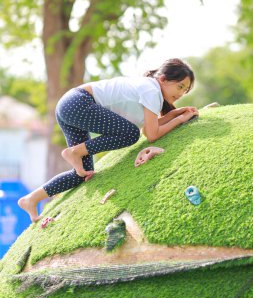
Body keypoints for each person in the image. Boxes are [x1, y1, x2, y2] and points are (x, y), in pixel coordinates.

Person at [18, 58, 198, 222]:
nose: (181, 93)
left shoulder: (151, 92)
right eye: (180, 86)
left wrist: (174, 114)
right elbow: (151, 135)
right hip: (78, 103)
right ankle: (75, 152)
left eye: (186, 90)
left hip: (70, 105)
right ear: (164, 79)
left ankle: (31, 199)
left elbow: (150, 128)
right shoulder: (151, 89)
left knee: (83, 173)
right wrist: (180, 120)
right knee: (129, 134)